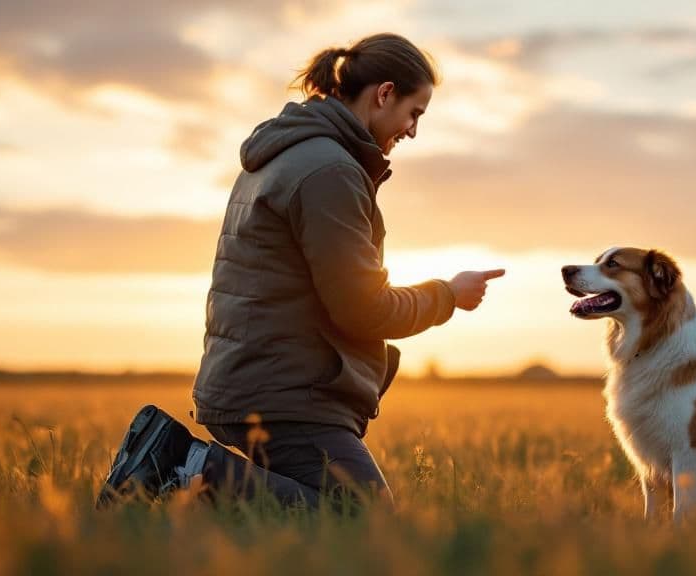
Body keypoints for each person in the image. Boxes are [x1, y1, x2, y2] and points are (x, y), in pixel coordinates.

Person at [96, 33, 504, 509]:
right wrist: (447, 296)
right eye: (415, 113)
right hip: (284, 393)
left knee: (285, 520)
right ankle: (179, 464)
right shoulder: (328, 171)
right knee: (362, 516)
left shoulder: (289, 154)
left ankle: (180, 482)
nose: (413, 130)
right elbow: (364, 309)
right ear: (384, 93)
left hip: (257, 380)